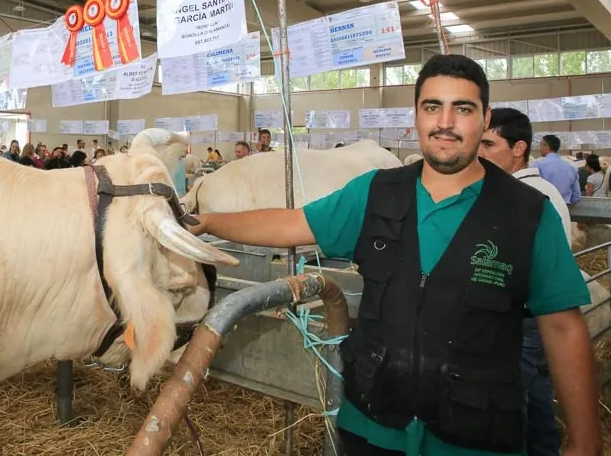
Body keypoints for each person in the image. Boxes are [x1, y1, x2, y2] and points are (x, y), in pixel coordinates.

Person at [187, 54, 600, 456]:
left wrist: (585, 442)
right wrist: (209, 222)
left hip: (477, 438)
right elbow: (290, 224)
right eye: (433, 106)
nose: (445, 122)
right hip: (372, 428)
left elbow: (563, 328)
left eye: (463, 108)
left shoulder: (528, 213)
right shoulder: (374, 192)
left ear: (485, 118)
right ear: (417, 115)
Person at [477, 106, 577, 456]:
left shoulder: (527, 198)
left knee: (516, 406)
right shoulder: (538, 191)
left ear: (518, 149)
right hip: (531, 318)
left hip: (523, 318)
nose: (480, 153)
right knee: (533, 399)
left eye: (489, 144)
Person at [536, 134, 581, 204]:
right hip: (565, 209)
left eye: (541, 146)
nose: (540, 148)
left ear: (546, 146)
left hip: (545, 207)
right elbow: (576, 196)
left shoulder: (537, 164)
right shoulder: (571, 167)